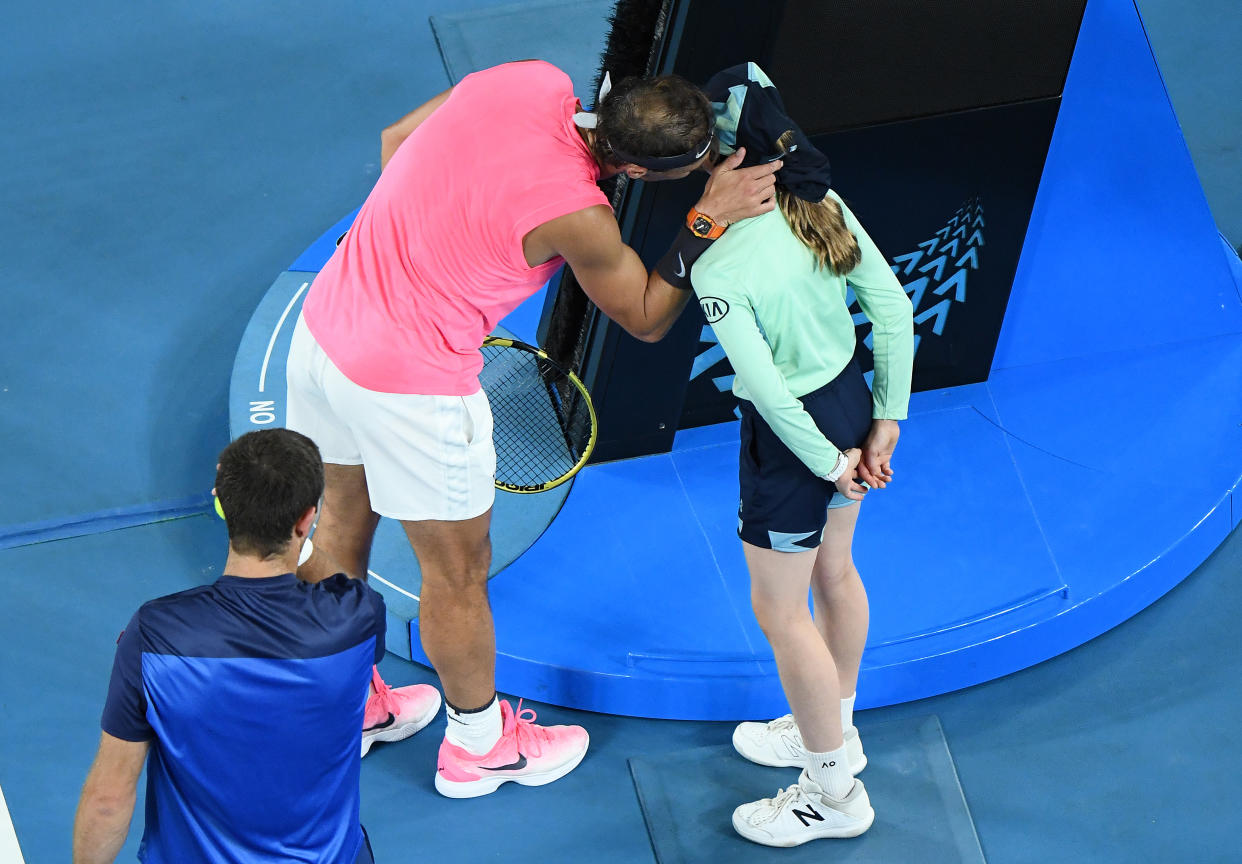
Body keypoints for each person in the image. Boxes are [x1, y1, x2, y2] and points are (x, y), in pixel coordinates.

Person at [285, 59, 782, 797]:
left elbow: (397, 143)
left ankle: (344, 708)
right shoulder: (579, 214)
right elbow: (645, 315)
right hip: (409, 385)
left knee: (335, 534)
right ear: (639, 171)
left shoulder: (524, 80)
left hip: (325, 331)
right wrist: (707, 217)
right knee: (456, 576)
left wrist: (423, 264)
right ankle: (479, 749)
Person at [691, 63, 914, 847]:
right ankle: (833, 728)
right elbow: (892, 311)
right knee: (835, 571)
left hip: (797, 445)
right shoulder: (821, 205)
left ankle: (832, 793)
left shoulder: (715, 265)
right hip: (852, 402)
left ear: (725, 160)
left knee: (781, 613)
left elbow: (770, 393)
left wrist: (826, 463)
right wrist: (886, 419)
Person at [72, 429, 412, 864]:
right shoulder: (356, 619)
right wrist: (297, 539)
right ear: (306, 520)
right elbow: (339, 585)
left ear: (221, 502)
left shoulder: (156, 634)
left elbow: (108, 798)